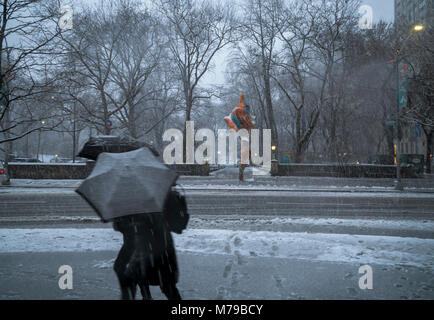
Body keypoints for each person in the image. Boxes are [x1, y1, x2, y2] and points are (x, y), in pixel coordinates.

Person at [112, 211, 181, 300]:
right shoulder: (147, 206)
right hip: (152, 245)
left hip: (149, 245)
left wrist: (121, 222)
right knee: (162, 280)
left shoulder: (136, 208)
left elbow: (130, 228)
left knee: (162, 281)